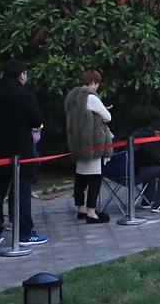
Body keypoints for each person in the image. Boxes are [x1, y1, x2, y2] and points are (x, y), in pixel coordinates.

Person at [0, 60, 47, 245]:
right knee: (22, 191)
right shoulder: (25, 96)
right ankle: (24, 232)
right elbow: (37, 120)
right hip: (22, 149)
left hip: (0, 149)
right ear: (21, 75)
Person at [65, 69, 114, 223]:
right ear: (93, 82)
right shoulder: (90, 97)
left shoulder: (73, 97)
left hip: (78, 143)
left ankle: (81, 209)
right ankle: (91, 212)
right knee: (95, 179)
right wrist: (102, 111)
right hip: (92, 143)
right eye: (97, 83)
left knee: (80, 178)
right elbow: (108, 116)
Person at [132, 120, 160, 213]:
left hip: (126, 170)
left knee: (153, 167)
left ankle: (147, 201)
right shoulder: (148, 139)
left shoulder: (142, 133)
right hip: (132, 173)